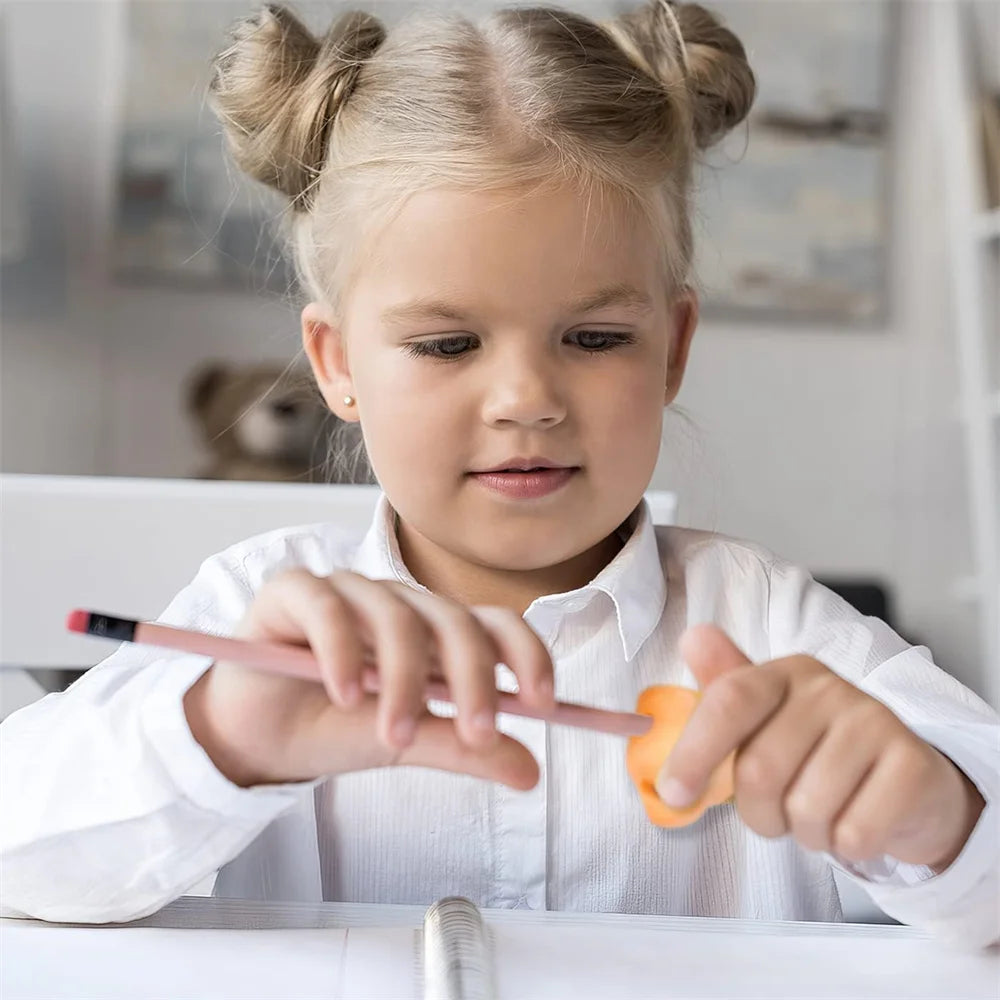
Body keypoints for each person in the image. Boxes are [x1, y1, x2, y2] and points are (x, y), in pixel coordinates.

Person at [2, 1, 996, 947]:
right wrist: (217, 737)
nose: (526, 397)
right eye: (446, 344)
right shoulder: (252, 620)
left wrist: (934, 813)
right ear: (338, 362)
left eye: (595, 336)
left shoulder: (776, 631)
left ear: (672, 346)